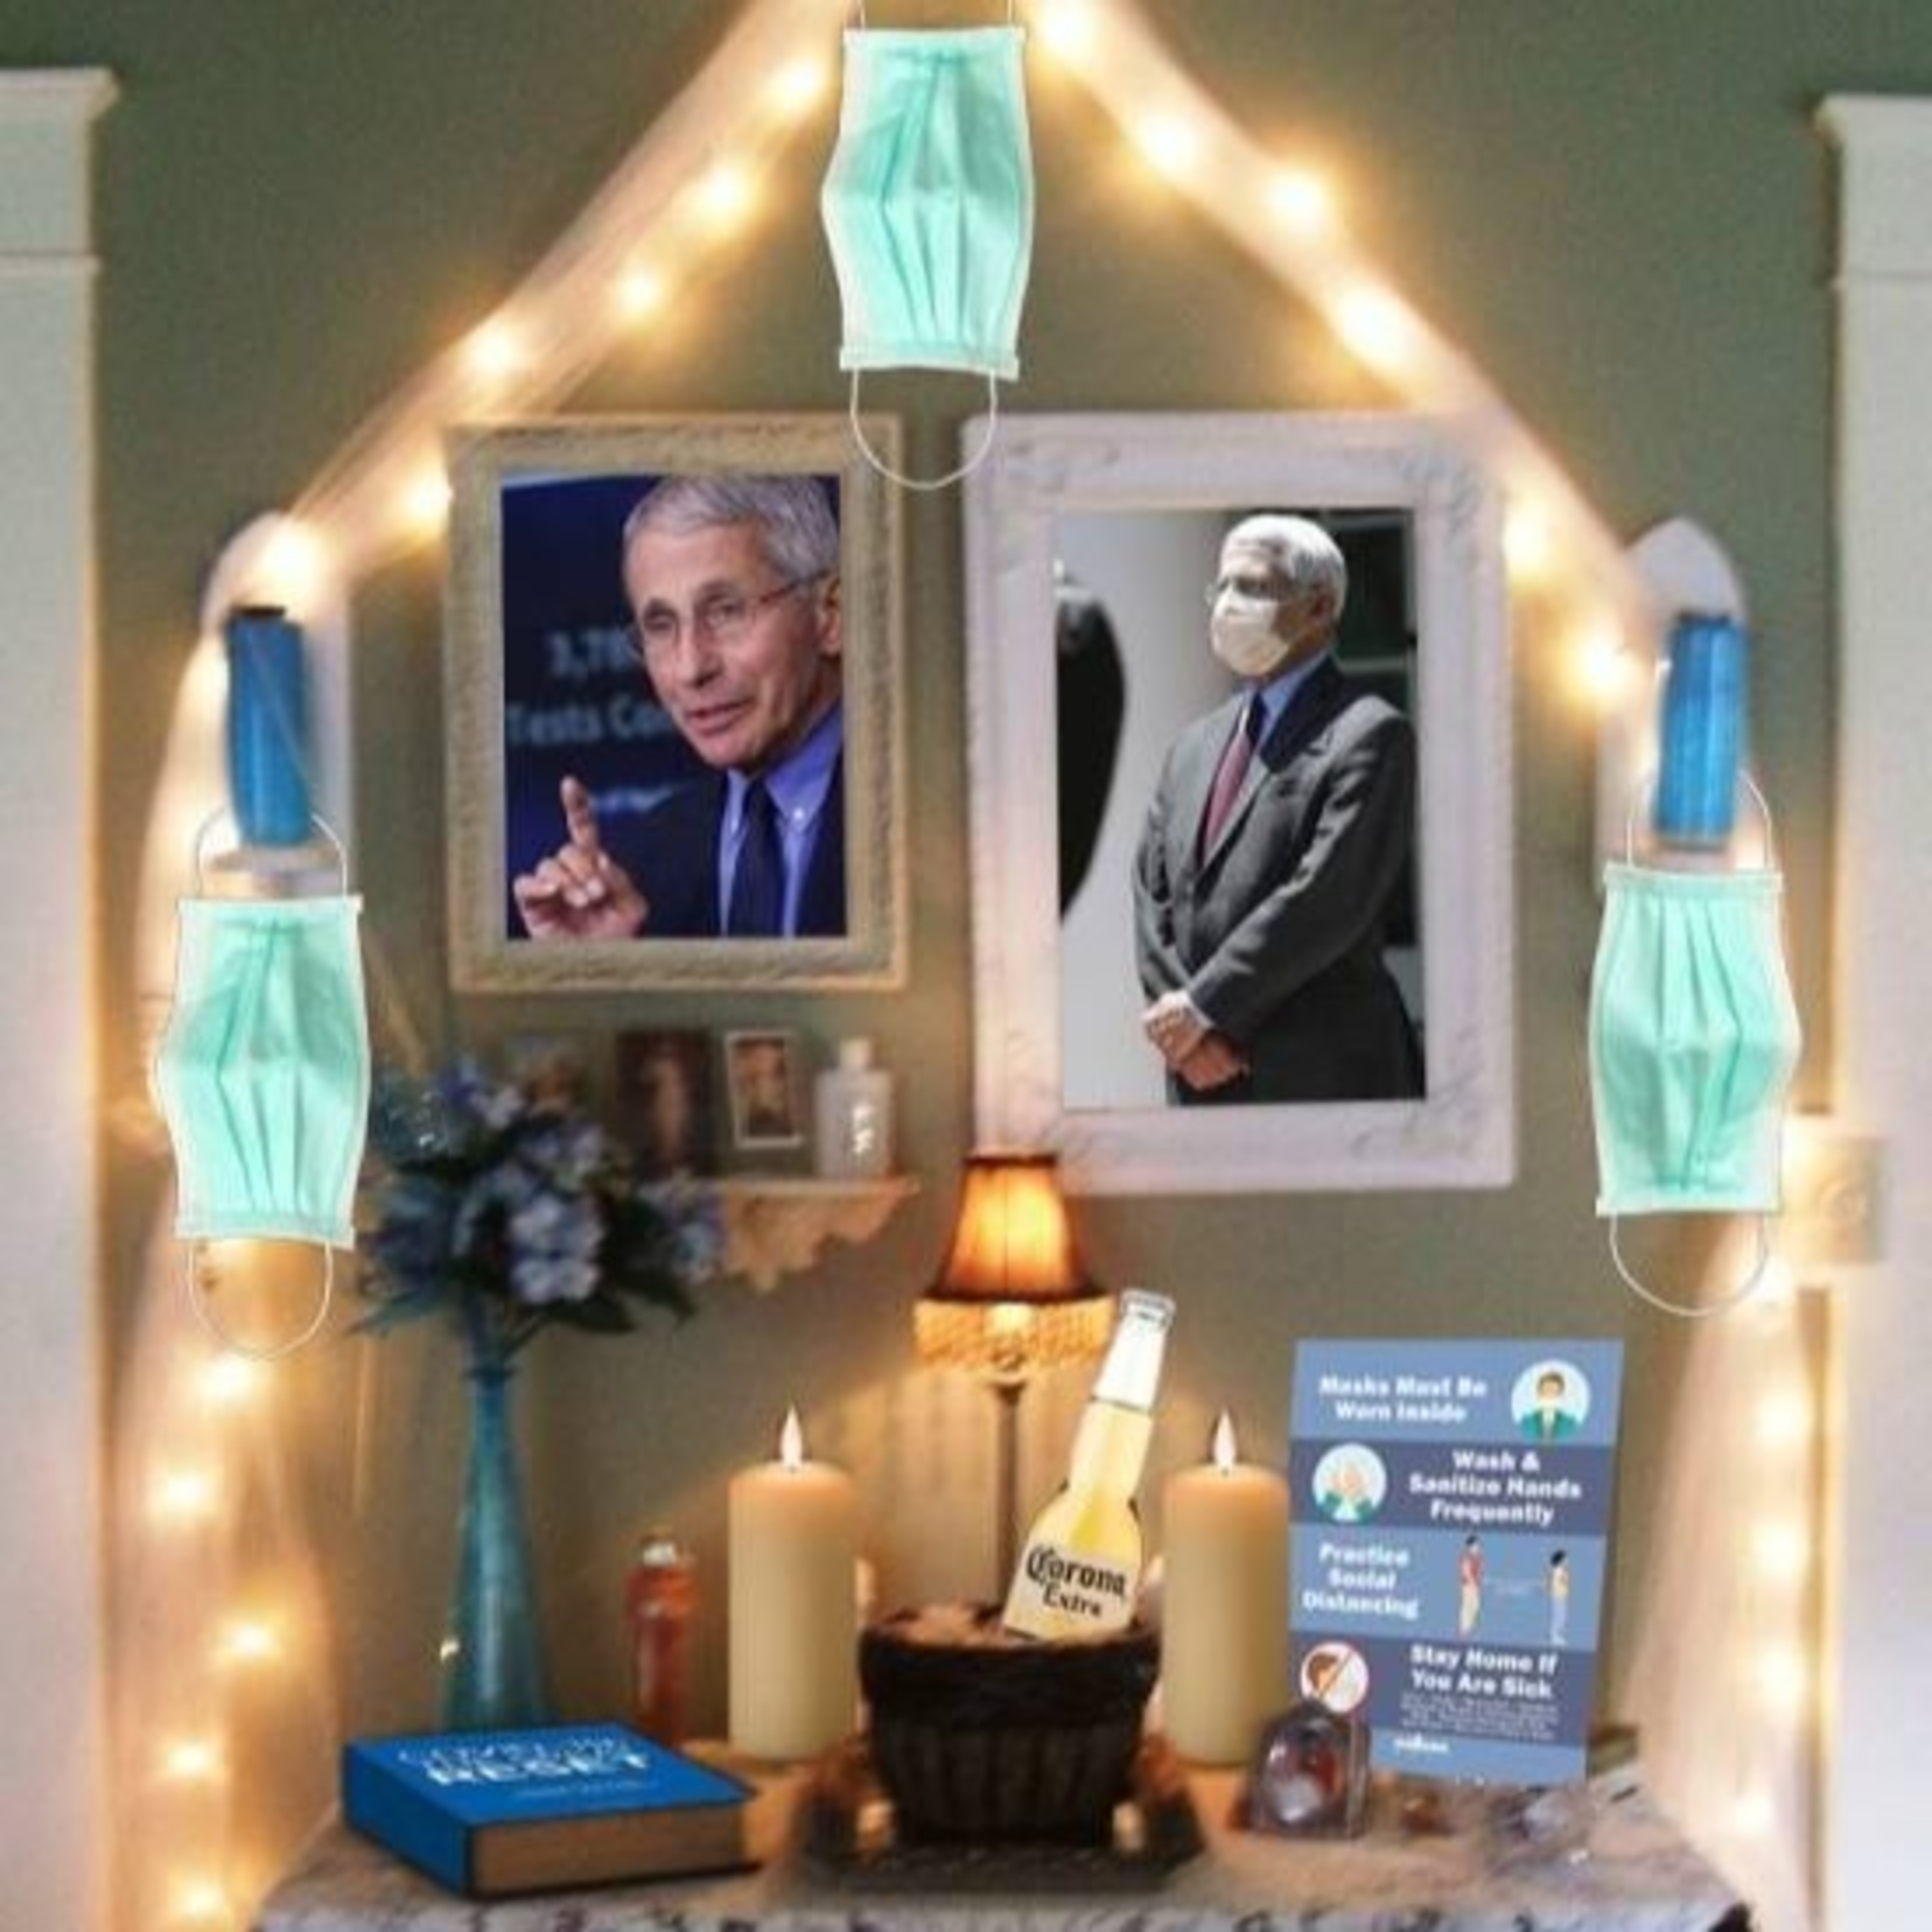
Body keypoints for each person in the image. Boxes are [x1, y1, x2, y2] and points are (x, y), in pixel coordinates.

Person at [1132, 514, 1422, 1104]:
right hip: (1203, 1074)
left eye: (1254, 587)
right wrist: (1184, 1032)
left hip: (1324, 1078)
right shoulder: (1193, 746)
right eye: (1223, 586)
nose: (1229, 605)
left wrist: (1204, 1006)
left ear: (1320, 607)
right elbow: (1151, 892)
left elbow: (1327, 898)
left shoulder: (1369, 732)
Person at [513, 475, 845, 940]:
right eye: (661, 625)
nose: (691, 668)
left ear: (831, 615)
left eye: (726, 611)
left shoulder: (932, 817)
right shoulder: (638, 870)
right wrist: (609, 973)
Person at [1520, 1368, 1582, 1442]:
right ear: (1539, 1393)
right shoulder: (1527, 1422)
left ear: (1561, 1395)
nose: (1550, 1396)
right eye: (1546, 1391)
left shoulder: (1570, 1423)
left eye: (1554, 1392)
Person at [1457, 1534, 1484, 1636]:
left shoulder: (1479, 1557)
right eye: (1475, 1545)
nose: (1477, 1547)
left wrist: (1478, 1582)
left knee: (1476, 1606)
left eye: (1478, 1545)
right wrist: (1473, 1583)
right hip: (1468, 1586)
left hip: (1475, 1586)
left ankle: (1470, 1627)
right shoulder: (1466, 1557)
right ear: (1470, 1546)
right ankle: (1463, 1630)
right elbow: (1466, 1572)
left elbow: (1479, 1571)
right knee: (1467, 1607)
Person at [1548, 1549, 1572, 1649]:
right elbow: (1556, 1583)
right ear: (1561, 1560)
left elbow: (1565, 1583)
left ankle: (1558, 1636)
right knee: (1558, 1617)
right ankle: (1555, 1637)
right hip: (1558, 1597)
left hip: (1562, 1596)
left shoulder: (1562, 1570)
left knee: (1562, 1617)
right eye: (1566, 1559)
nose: (1567, 1561)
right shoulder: (1558, 1570)